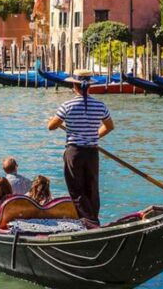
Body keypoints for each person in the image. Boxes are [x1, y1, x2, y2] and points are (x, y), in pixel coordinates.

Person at [48, 70, 114, 229]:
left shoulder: (67, 105)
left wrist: (59, 123)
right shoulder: (100, 105)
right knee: (91, 187)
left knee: (76, 189)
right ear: (89, 86)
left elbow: (51, 126)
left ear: (74, 86)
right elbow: (109, 126)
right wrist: (93, 136)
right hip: (92, 151)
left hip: (74, 152)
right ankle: (94, 220)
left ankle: (87, 223)